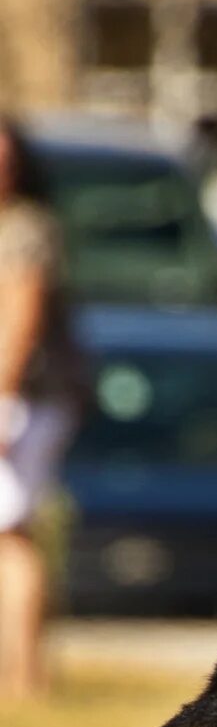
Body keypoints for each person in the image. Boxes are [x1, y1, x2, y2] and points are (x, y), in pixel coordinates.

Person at [0, 117, 82, 696]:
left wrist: (1, 399)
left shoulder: (25, 230)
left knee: (11, 535)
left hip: (23, 398)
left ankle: (25, 677)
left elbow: (19, 320)